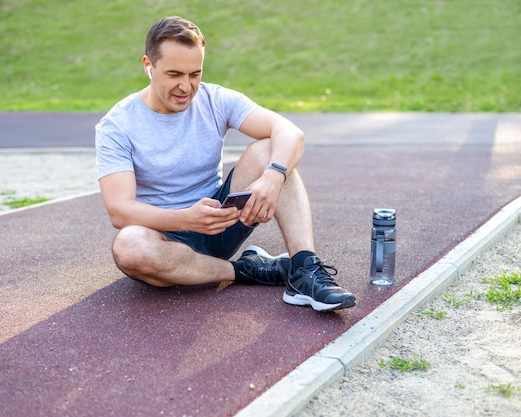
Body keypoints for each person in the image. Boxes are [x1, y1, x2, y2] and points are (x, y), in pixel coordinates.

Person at [95, 16, 356, 312]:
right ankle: (247, 270)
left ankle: (304, 270)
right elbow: (119, 211)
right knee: (129, 246)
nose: (186, 86)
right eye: (174, 74)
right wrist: (185, 219)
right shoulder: (117, 125)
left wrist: (273, 176)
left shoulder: (215, 99)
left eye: (195, 74)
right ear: (148, 66)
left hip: (221, 222)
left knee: (272, 149)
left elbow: (291, 133)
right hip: (164, 236)